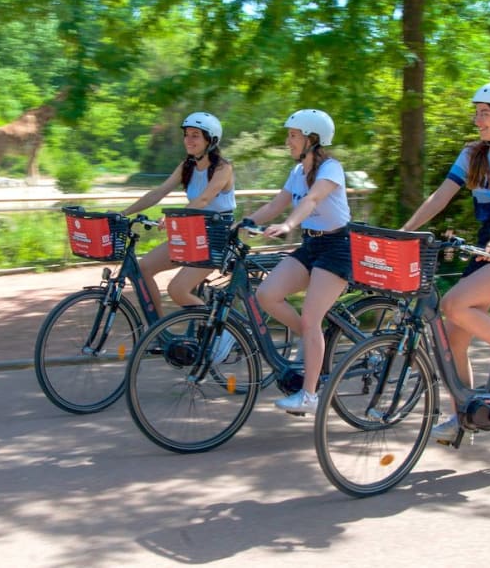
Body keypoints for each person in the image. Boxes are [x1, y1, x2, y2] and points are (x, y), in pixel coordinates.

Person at [399, 81, 490, 443]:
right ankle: (463, 414)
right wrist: (405, 230)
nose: (477, 119)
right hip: (487, 249)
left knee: (452, 303)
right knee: (452, 338)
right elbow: (440, 197)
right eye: (476, 112)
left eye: (485, 113)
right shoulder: (472, 155)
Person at [241, 109, 351, 414]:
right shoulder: (296, 171)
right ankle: (313, 338)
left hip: (337, 247)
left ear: (311, 138)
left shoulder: (331, 168)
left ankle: (309, 397)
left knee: (311, 317)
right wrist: (242, 223)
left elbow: (312, 199)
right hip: (311, 244)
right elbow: (277, 203)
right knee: (267, 294)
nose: (287, 141)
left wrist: (288, 225)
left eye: (293, 135)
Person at [118, 111, 236, 320]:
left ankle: (223, 334)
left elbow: (203, 200)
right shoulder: (187, 165)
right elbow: (158, 192)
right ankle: (158, 331)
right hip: (191, 232)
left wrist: (174, 218)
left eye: (195, 135)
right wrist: (123, 213)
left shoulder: (223, 168)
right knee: (143, 268)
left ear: (211, 140)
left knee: (177, 290)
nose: (188, 140)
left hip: (215, 237)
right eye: (186, 134)